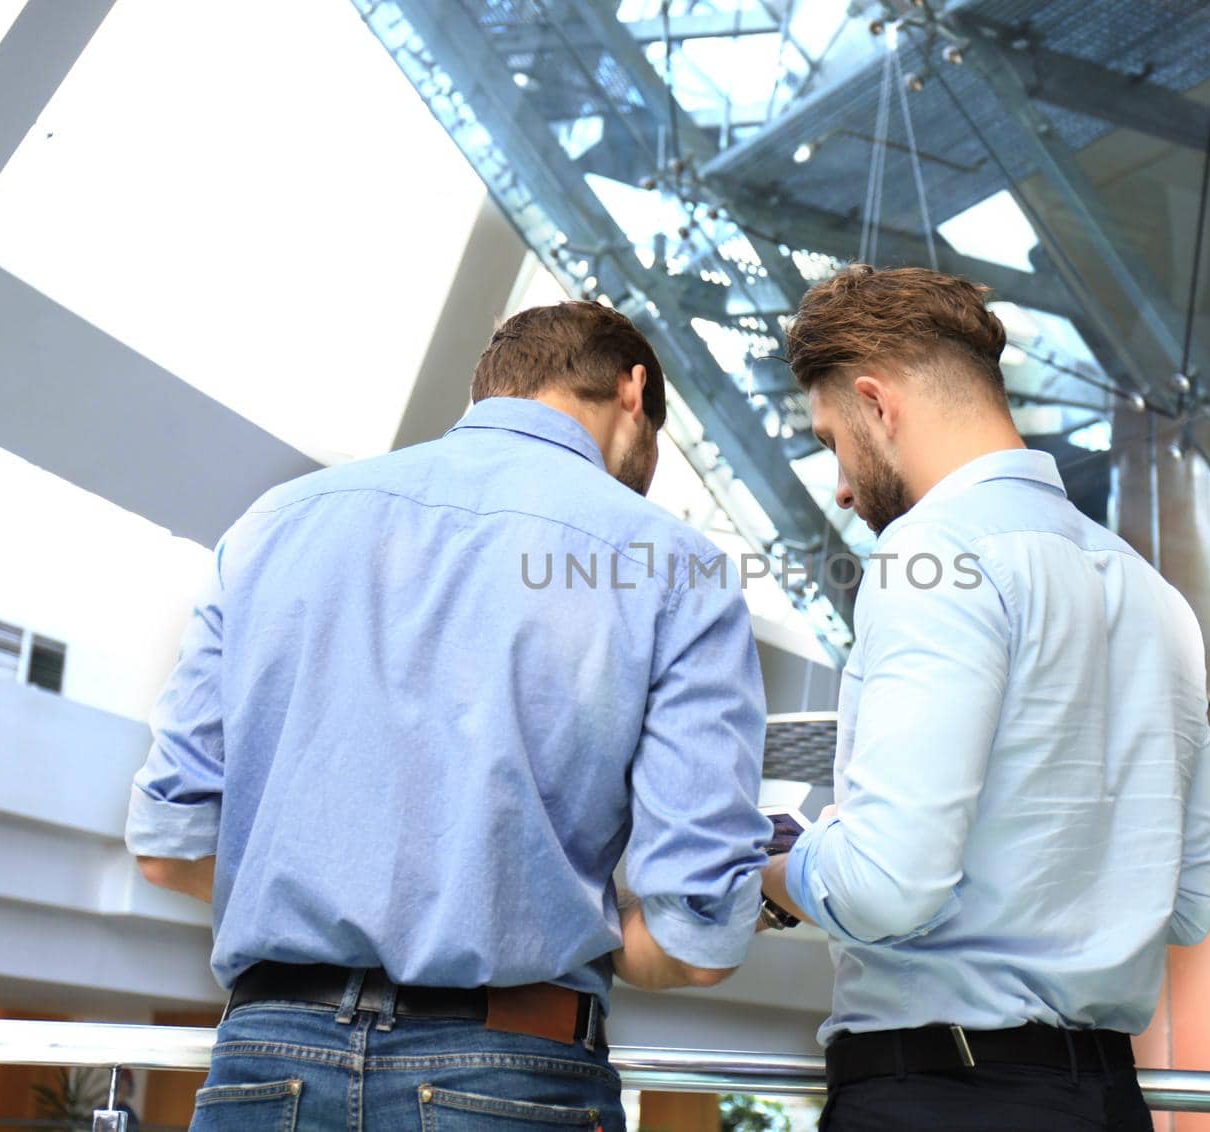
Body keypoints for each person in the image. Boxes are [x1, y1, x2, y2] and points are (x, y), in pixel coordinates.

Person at [126, 301, 771, 1131]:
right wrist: (539, 913)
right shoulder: (673, 564)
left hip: (267, 1064)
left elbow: (168, 845)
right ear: (633, 391)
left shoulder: (274, 523)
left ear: (490, 391)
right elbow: (697, 936)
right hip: (509, 1073)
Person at [759, 266, 1210, 1131]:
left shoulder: (929, 557)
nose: (843, 488)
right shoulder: (1154, 593)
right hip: (1108, 1106)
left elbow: (887, 886)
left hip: (941, 1099)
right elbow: (1189, 902)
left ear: (877, 402)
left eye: (831, 442)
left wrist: (779, 870)